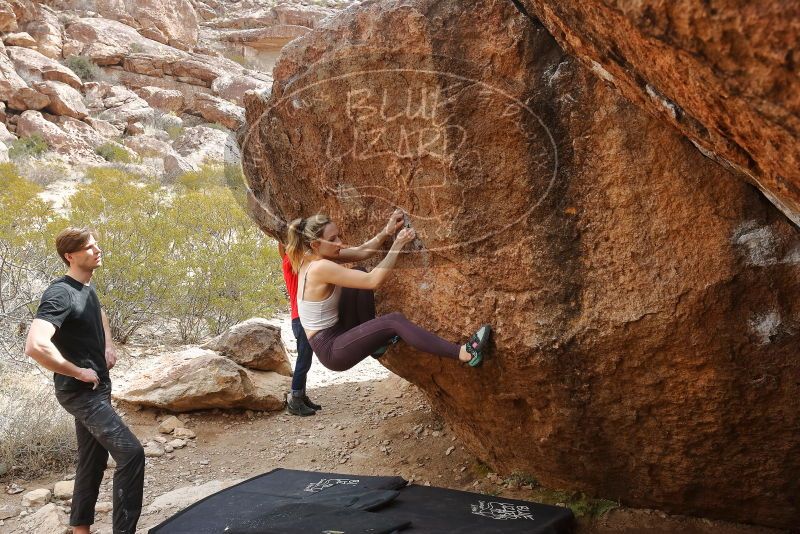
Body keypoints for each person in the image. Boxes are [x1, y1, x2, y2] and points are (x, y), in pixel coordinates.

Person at [24, 227, 145, 534]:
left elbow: (98, 312)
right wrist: (77, 371)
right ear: (70, 255)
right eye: (89, 247)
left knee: (91, 462)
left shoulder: (85, 288)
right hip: (80, 392)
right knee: (131, 454)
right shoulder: (60, 292)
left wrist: (108, 344)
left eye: (96, 245)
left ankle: (80, 528)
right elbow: (36, 345)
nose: (97, 250)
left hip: (98, 388)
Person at [284, 210, 491, 373]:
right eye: (334, 239)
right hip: (331, 349)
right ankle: (464, 353)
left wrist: (387, 231)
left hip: (338, 329)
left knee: (358, 270)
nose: (340, 243)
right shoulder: (320, 268)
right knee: (394, 321)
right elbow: (373, 281)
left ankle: (375, 344)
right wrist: (398, 244)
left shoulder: (314, 257)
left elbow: (361, 252)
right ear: (315, 244)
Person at [278, 242, 319, 416]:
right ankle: (295, 401)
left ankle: (301, 396)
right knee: (303, 360)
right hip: (300, 318)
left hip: (301, 317)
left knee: (305, 359)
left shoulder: (292, 262)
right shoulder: (290, 262)